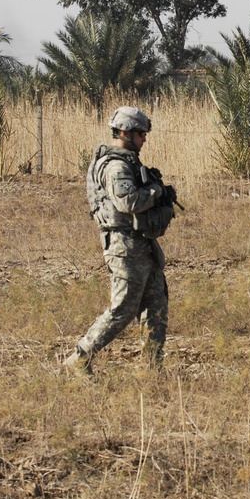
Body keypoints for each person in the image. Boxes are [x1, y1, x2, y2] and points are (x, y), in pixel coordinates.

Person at [64, 106, 175, 373]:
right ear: (126, 133)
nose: (144, 139)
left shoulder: (128, 163)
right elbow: (128, 201)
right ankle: (79, 358)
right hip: (124, 247)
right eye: (141, 134)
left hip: (142, 243)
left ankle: (152, 369)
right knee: (123, 308)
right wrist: (156, 191)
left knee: (155, 307)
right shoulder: (116, 167)